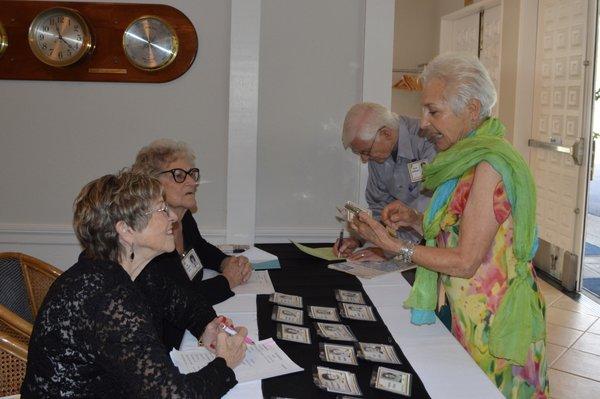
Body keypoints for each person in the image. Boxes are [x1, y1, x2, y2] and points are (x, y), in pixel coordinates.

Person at [349, 53, 548, 398]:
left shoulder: (488, 164)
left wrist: (398, 245)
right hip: (468, 313)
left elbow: (465, 260)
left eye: (434, 111)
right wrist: (413, 219)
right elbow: (461, 227)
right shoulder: (463, 159)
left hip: (494, 325)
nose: (423, 123)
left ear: (472, 109)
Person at [21, 171, 247, 398]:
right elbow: (173, 395)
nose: (174, 218)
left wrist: (206, 328)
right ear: (126, 230)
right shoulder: (104, 296)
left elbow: (186, 303)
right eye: (162, 209)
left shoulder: (139, 271)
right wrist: (224, 365)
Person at [133, 139, 253, 349]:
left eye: (192, 174)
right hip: (166, 341)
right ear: (153, 184)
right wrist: (226, 281)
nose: (192, 182)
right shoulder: (150, 239)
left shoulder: (183, 218)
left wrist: (226, 262)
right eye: (179, 175)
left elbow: (201, 247)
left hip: (192, 327)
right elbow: (179, 298)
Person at [334, 102, 436, 261]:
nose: (364, 159)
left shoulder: (428, 138)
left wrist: (389, 250)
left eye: (366, 151)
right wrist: (360, 239)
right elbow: (379, 207)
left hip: (438, 244)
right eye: (360, 153)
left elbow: (429, 207)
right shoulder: (378, 156)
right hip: (405, 247)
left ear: (386, 134)